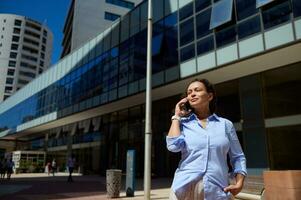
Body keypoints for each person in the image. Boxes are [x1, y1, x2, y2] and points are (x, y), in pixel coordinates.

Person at [166, 79, 247, 200]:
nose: (192, 94)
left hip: (217, 190)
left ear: (210, 96)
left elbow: (238, 156)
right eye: (189, 92)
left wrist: (239, 183)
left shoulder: (225, 124)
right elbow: (173, 146)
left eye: (197, 90)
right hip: (184, 189)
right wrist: (176, 117)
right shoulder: (183, 123)